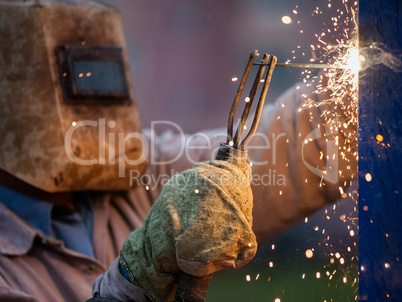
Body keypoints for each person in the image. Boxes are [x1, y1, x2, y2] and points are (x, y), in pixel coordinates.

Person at [0, 0, 357, 301]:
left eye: (101, 80)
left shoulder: (143, 169)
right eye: (74, 86)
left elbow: (285, 147)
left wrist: (359, 95)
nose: (95, 110)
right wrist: (134, 279)